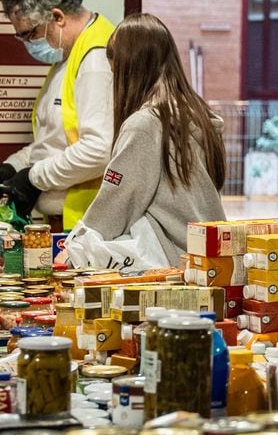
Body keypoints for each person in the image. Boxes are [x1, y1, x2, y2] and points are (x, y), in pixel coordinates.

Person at [61, 14, 226, 269]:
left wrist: (75, 249)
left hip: (171, 264)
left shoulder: (146, 124)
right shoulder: (198, 116)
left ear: (129, 69)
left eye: (115, 72)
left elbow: (117, 201)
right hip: (208, 260)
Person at [0, 0, 115, 228]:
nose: (27, 44)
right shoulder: (68, 54)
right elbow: (57, 138)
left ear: (57, 17)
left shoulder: (96, 58)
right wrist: (13, 167)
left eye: (29, 34)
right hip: (65, 221)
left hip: (87, 223)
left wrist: (33, 178)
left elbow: (99, 150)